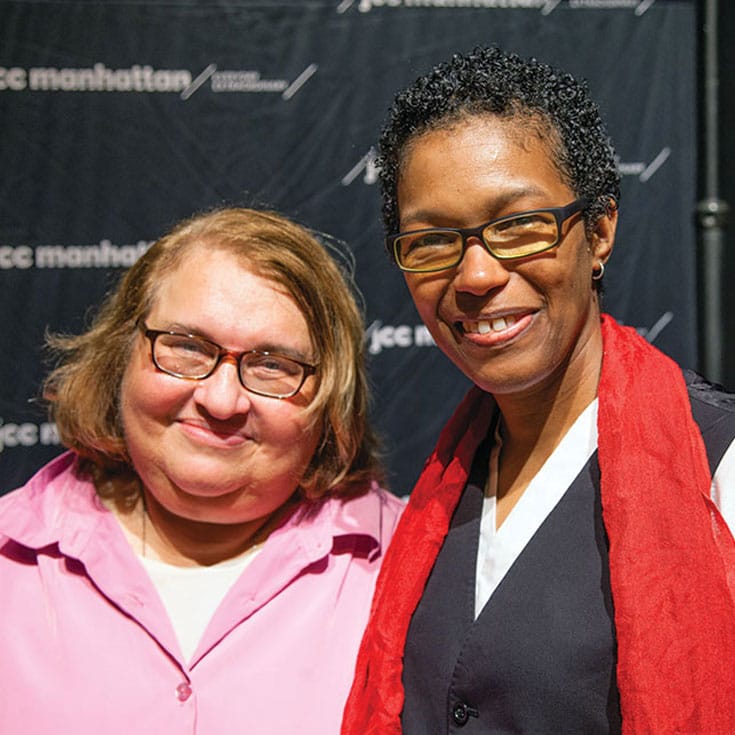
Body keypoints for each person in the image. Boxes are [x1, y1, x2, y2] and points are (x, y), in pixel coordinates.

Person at [342, 47, 735, 735]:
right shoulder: (439, 491)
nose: (475, 274)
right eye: (432, 240)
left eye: (517, 225)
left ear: (600, 231)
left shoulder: (718, 465)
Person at [0, 207, 404, 734]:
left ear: (332, 402)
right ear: (120, 355)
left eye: (272, 365)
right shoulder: (11, 558)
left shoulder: (413, 567)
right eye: (187, 348)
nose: (221, 400)